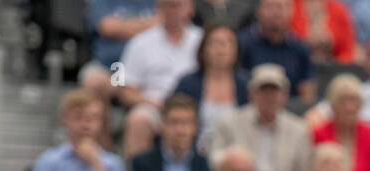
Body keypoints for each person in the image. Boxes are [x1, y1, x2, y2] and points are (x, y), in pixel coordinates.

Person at [114, 0, 203, 156]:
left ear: (191, 9)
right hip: (154, 106)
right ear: (157, 9)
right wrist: (156, 104)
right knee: (138, 120)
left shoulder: (203, 40)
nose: (173, 10)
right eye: (167, 5)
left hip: (197, 105)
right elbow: (126, 91)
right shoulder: (139, 42)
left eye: (178, 5)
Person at [28, 89, 124, 171]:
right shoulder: (47, 161)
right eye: (78, 118)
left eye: (93, 118)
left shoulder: (114, 164)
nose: (86, 125)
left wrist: (96, 163)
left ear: (101, 123)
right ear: (64, 120)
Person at [211, 64, 312, 171]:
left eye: (274, 91)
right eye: (264, 91)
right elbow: (215, 160)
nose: (269, 97)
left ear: (284, 95)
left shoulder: (300, 129)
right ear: (251, 94)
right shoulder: (229, 123)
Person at [170, 23, 250, 156]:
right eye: (215, 43)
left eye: (227, 43)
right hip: (195, 156)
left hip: (237, 157)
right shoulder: (187, 84)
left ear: (236, 49)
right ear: (203, 50)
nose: (221, 49)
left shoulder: (246, 85)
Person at [127, 93, 210, 171]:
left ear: (195, 127)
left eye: (186, 122)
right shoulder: (142, 164)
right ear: (162, 125)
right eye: (174, 122)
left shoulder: (205, 166)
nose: (180, 130)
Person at [310, 73, 370, 171]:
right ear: (332, 105)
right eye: (343, 101)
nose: (349, 107)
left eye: (354, 101)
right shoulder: (318, 134)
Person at [239, 0, 316, 104]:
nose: (277, 13)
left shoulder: (300, 48)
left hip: (289, 112)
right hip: (250, 109)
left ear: (292, 11)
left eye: (283, 7)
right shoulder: (242, 44)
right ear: (258, 11)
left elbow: (307, 93)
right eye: (271, 6)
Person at [88, 0, 155, 72]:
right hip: (107, 66)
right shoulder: (103, 2)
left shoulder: (155, 2)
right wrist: (146, 27)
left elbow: (163, 24)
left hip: (149, 67)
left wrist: (121, 26)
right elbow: (107, 27)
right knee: (93, 81)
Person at [291, 0, 356, 64]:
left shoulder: (338, 9)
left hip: (333, 68)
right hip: (299, 67)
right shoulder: (291, 7)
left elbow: (347, 51)